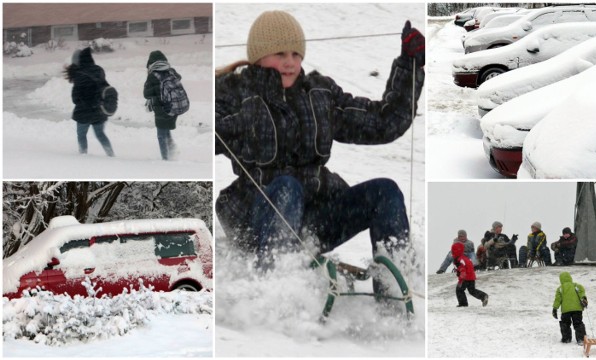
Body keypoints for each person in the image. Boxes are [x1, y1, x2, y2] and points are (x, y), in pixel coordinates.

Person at [215, 10, 425, 279]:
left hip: (315, 219)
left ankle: (395, 295)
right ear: (258, 56)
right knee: (286, 187)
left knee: (386, 192)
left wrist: (409, 66)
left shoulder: (319, 93)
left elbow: (382, 122)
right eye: (280, 54)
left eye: (295, 54)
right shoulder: (236, 92)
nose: (290, 62)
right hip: (258, 220)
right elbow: (209, 132)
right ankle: (277, 287)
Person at [63, 47, 114, 157]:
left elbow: (75, 97)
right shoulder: (99, 70)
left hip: (83, 111)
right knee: (100, 134)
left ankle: (83, 154)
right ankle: (110, 154)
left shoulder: (79, 74)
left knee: (81, 134)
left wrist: (81, 101)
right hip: (99, 110)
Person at [144, 50, 182, 160]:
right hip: (173, 107)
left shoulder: (152, 76)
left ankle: (165, 160)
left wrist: (155, 90)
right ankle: (173, 151)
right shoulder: (172, 72)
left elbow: (146, 94)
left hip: (161, 110)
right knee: (166, 131)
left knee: (161, 135)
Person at [552, 271, 587, 345]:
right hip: (577, 309)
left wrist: (555, 309)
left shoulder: (560, 289)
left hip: (566, 311)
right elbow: (581, 292)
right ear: (570, 278)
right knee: (578, 323)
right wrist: (583, 299)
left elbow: (558, 299)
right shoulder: (576, 286)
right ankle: (581, 339)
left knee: (565, 324)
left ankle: (566, 338)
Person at [452, 242, 488, 307]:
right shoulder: (465, 258)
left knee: (459, 290)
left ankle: (463, 303)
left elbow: (461, 267)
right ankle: (483, 296)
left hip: (465, 277)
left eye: (453, 251)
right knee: (472, 290)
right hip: (471, 277)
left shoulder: (459, 259)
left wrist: (462, 275)